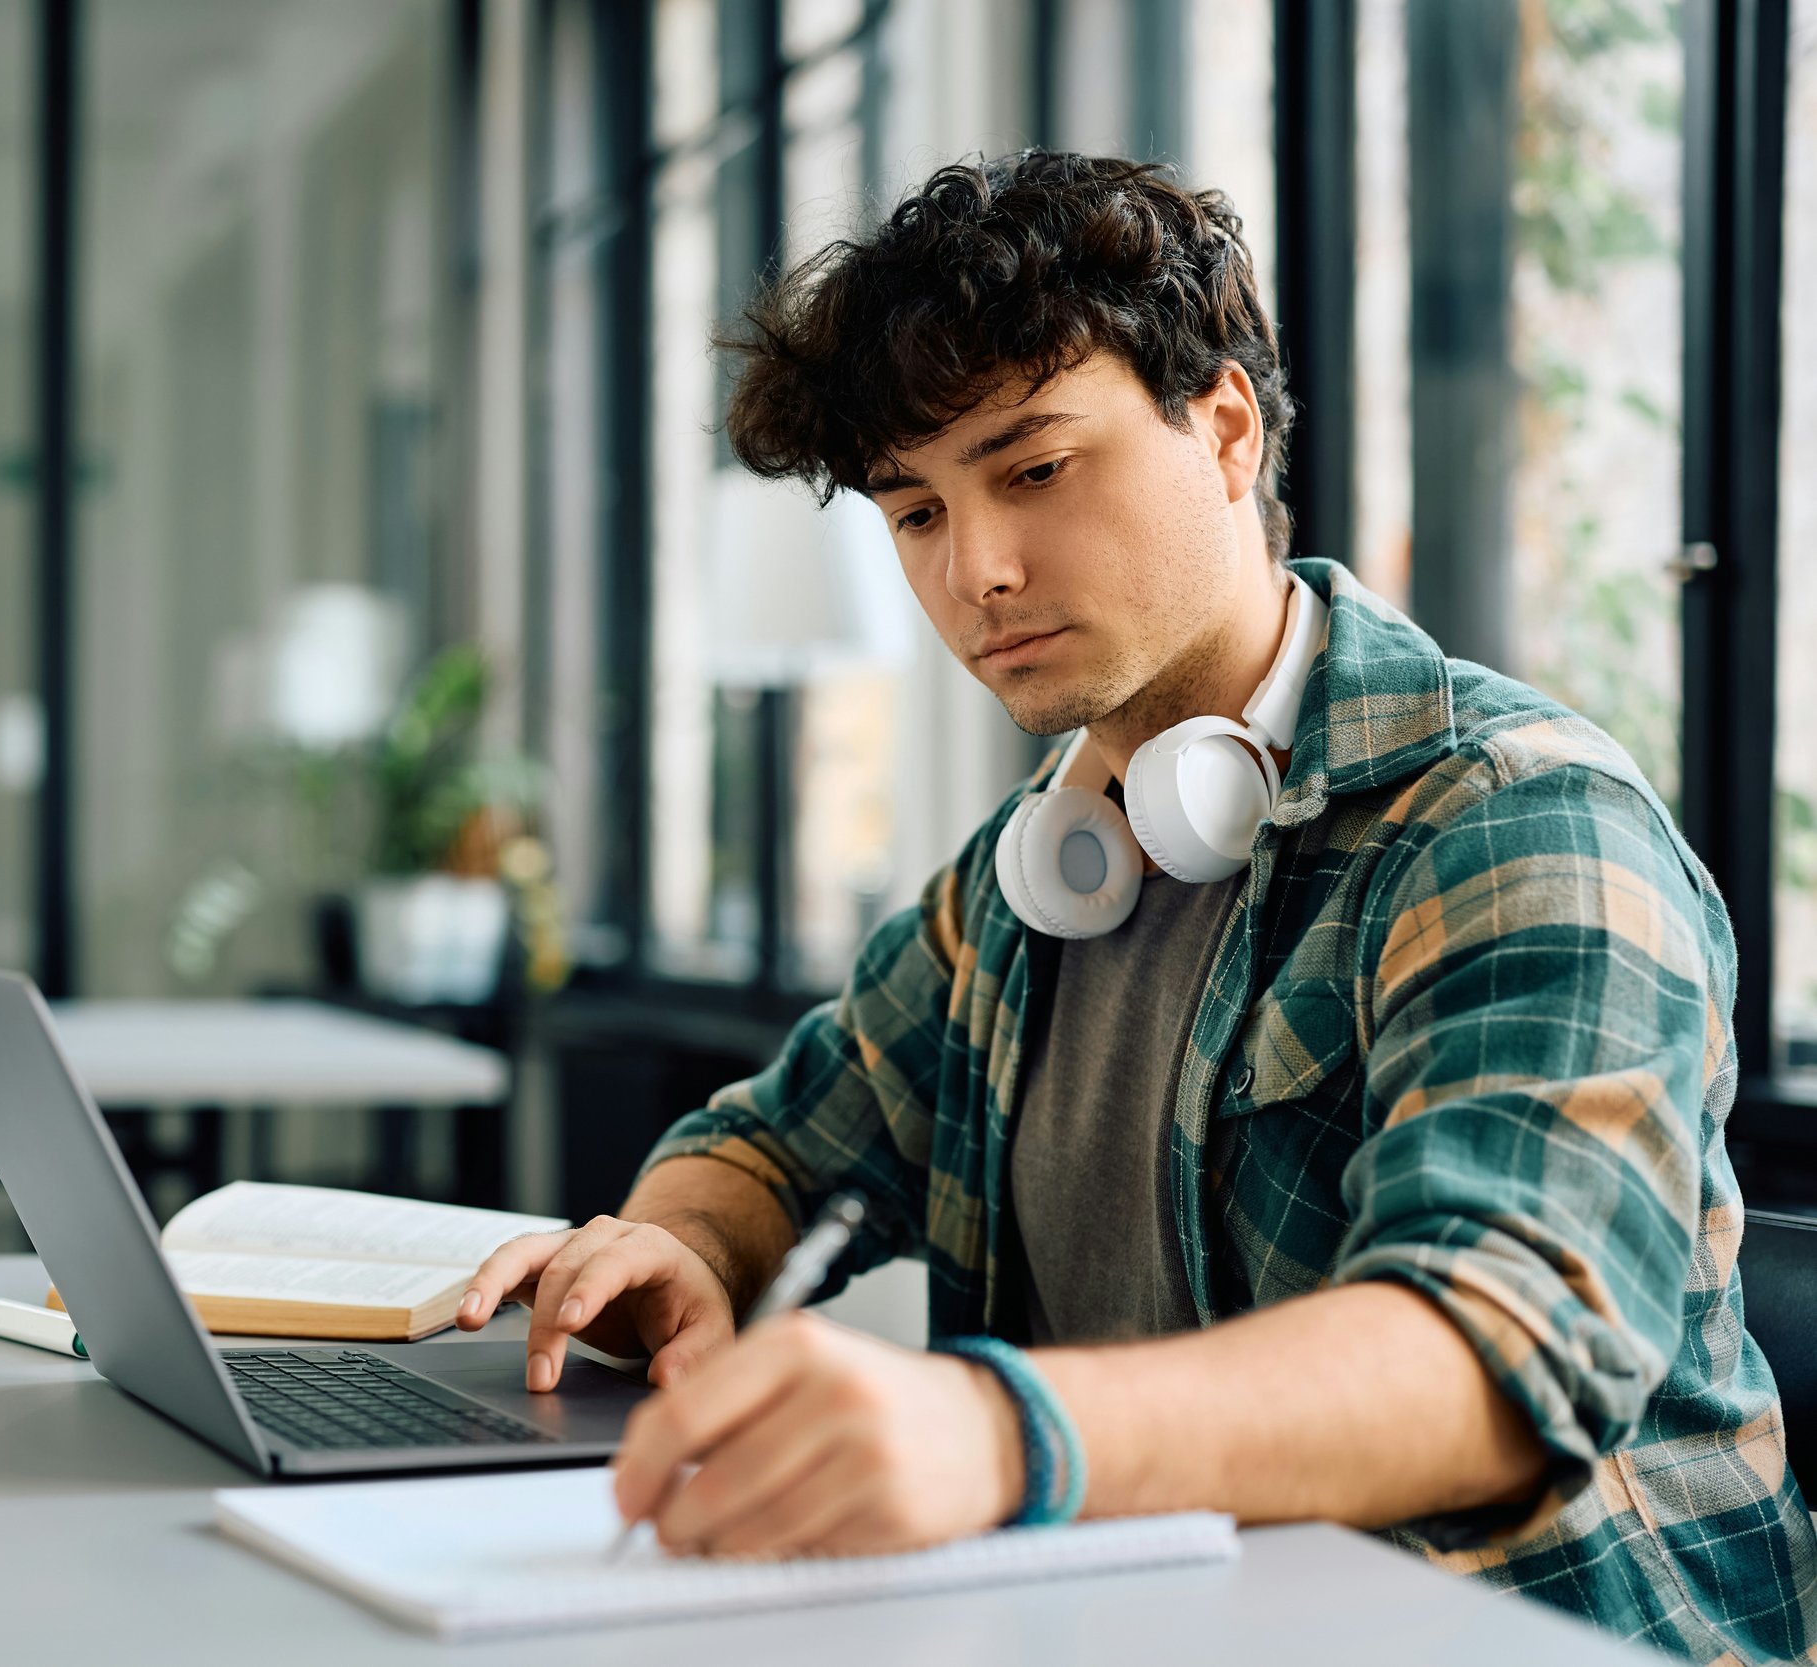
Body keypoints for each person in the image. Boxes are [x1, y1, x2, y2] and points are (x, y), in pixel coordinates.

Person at [456, 153, 1816, 1661]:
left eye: (1033, 468)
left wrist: (995, 1430)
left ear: (1226, 429)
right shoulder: (1032, 871)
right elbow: (773, 1137)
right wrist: (681, 1247)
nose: (978, 569)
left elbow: (1501, 1352)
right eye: (916, 512)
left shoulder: (1515, 822)